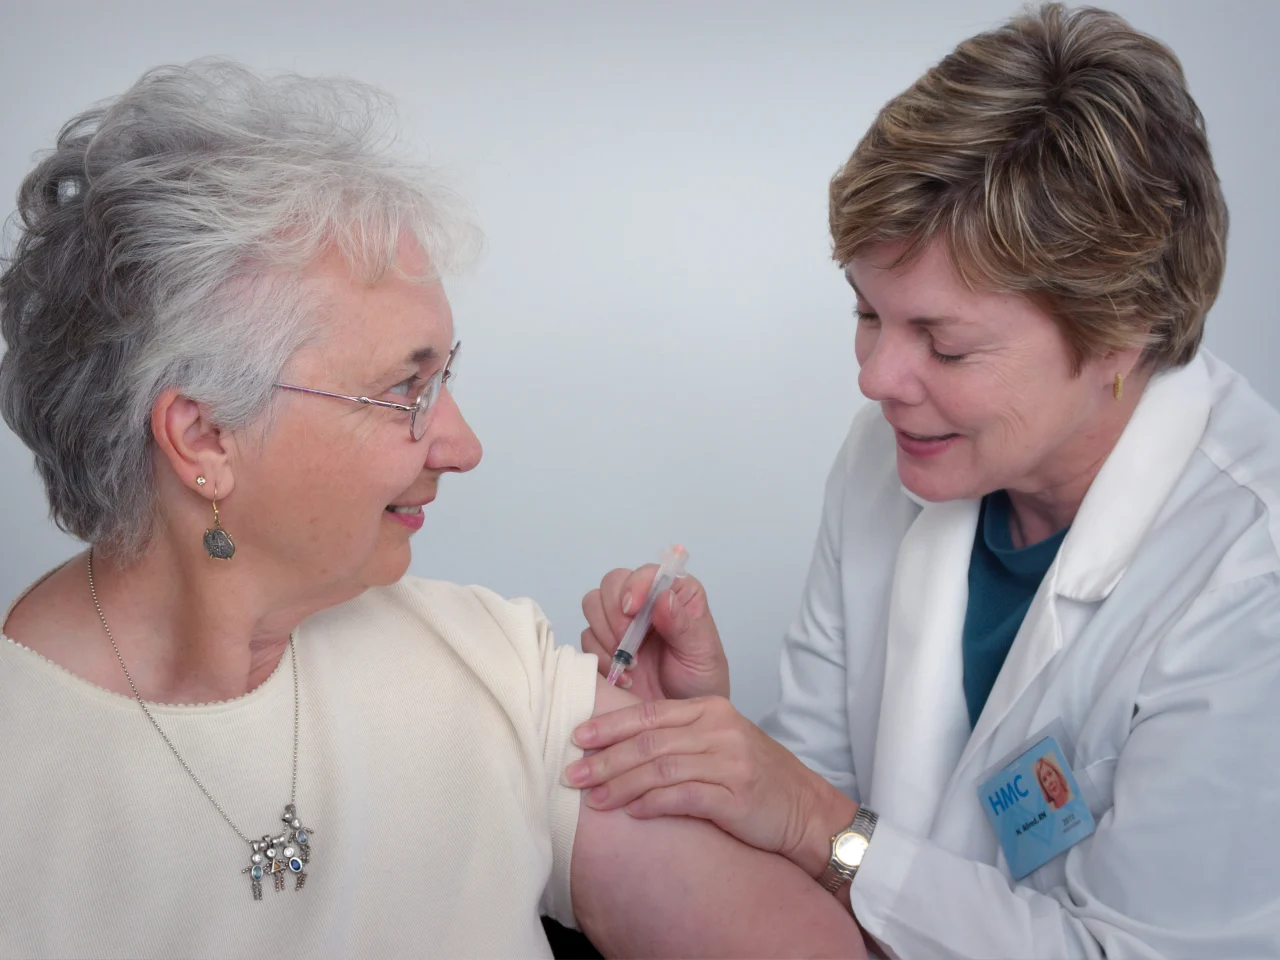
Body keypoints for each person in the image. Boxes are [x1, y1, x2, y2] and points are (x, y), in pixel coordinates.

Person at [0, 61, 864, 959]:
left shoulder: (495, 672)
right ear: (205, 437)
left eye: (443, 378)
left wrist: (681, 761)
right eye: (405, 390)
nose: (461, 444)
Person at [571, 4, 1280, 957]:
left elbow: (1140, 950)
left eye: (943, 343)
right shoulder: (889, 459)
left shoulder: (1249, 577)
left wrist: (818, 822)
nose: (875, 379)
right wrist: (710, 742)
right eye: (867, 313)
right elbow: (806, 821)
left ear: (1120, 331)